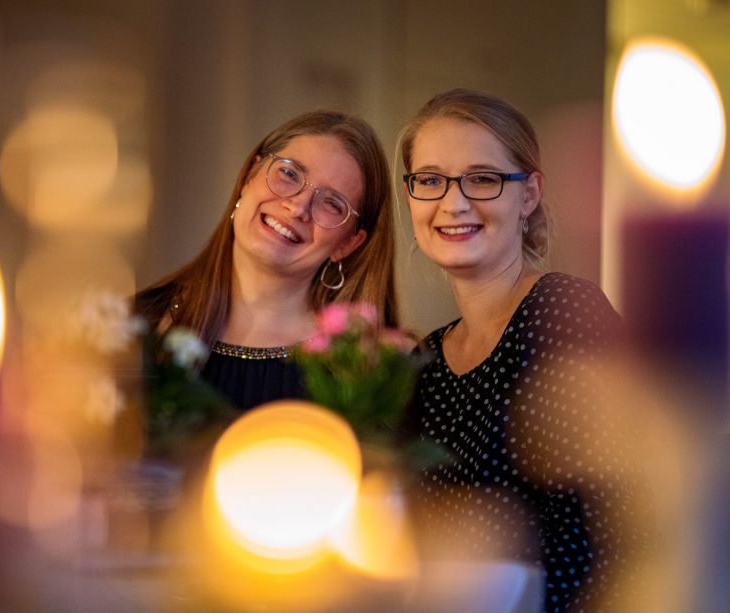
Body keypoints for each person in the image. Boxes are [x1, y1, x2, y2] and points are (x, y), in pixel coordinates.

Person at [397, 89, 649, 612]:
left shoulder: (562, 313)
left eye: (483, 179)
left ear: (528, 195)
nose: (453, 202)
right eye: (430, 180)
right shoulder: (423, 361)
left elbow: (632, 525)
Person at [136, 110, 398, 412]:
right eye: (289, 174)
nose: (298, 206)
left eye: (331, 203)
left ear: (348, 244)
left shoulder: (364, 372)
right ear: (250, 174)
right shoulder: (137, 328)